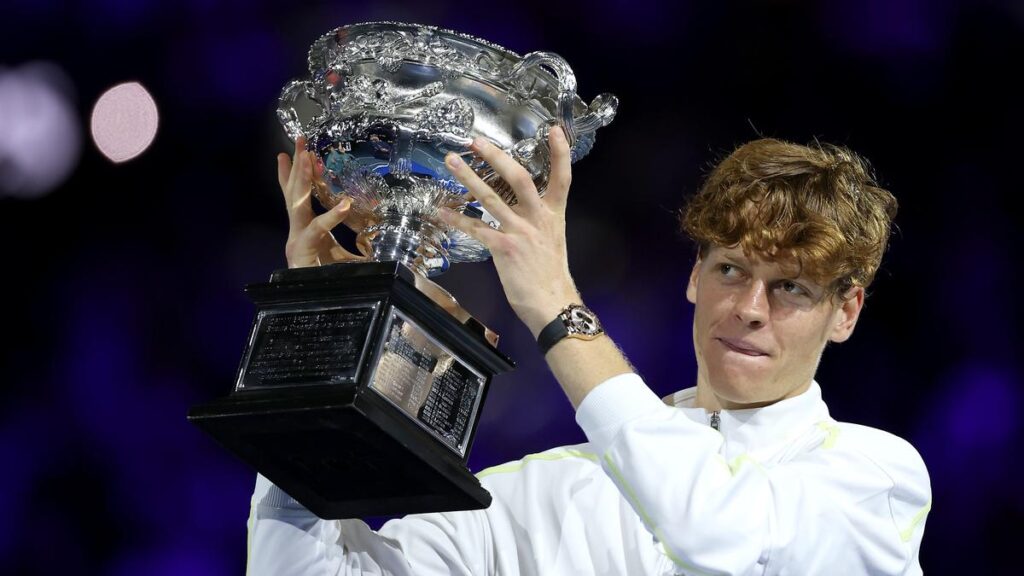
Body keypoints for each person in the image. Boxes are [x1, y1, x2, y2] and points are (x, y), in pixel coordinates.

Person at [250, 128, 931, 575]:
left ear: (845, 313)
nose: (750, 309)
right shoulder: (548, 490)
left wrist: (553, 303)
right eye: (730, 270)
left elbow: (717, 538)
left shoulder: (876, 479)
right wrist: (326, 339)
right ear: (695, 276)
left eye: (789, 288)